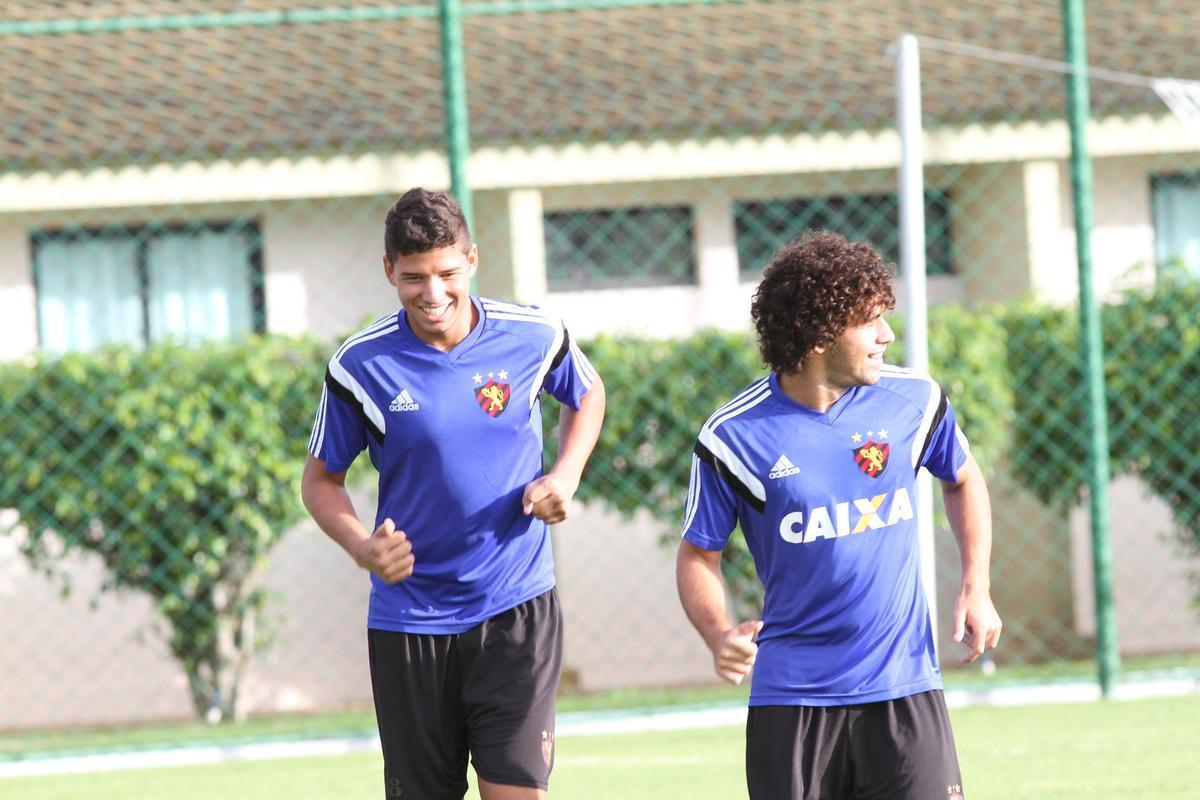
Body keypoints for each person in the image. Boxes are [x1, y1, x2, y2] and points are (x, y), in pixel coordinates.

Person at [301, 187, 605, 800]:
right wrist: (364, 547)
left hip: (515, 605)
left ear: (472, 259)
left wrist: (565, 474)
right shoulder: (360, 364)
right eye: (413, 278)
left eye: (446, 272)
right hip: (410, 617)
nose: (432, 293)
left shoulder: (535, 334)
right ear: (388, 271)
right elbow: (319, 482)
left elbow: (587, 395)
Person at [676, 231, 1001, 800]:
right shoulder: (733, 437)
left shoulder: (914, 402)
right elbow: (698, 553)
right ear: (821, 331)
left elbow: (964, 478)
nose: (887, 336)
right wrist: (718, 633)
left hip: (905, 687)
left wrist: (977, 585)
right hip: (793, 701)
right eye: (870, 321)